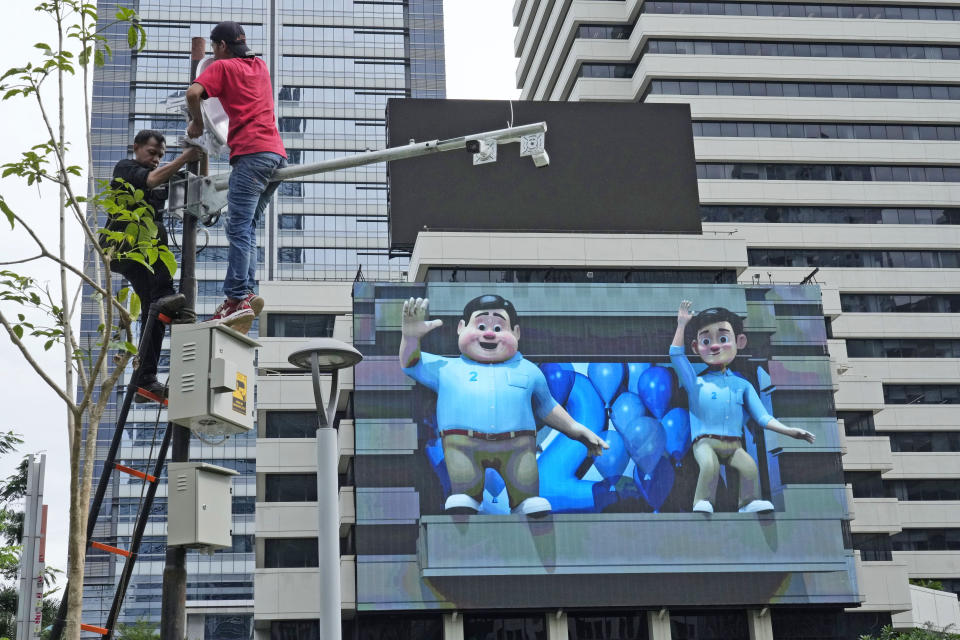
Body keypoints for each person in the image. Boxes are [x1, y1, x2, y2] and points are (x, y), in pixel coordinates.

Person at [399, 295, 608, 516]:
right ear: (461, 328)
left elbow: (547, 407)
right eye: (480, 326)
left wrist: (576, 429)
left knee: (525, 486)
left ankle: (524, 499)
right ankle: (467, 493)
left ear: (516, 333)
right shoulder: (446, 368)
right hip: (462, 445)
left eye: (499, 327)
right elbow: (411, 363)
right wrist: (410, 338)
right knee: (464, 484)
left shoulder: (527, 370)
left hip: (517, 447)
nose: (489, 333)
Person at [186, 21, 287, 334]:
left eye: (216, 48)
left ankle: (235, 297)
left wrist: (198, 126)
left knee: (238, 227)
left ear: (220, 46)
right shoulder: (259, 66)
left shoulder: (222, 66)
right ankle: (248, 292)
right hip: (275, 155)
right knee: (249, 225)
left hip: (251, 155)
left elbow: (194, 93)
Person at [670, 300, 816, 514]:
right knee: (709, 466)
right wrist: (682, 325)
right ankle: (703, 500)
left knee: (748, 466)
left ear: (740, 341)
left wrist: (789, 431)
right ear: (695, 346)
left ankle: (747, 502)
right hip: (705, 443)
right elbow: (676, 356)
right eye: (706, 340)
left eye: (722, 338)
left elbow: (763, 417)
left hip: (734, 445)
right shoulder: (696, 383)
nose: (715, 346)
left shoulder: (743, 385)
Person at [101, 129, 201, 401]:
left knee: (154, 308)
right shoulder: (126, 167)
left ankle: (145, 381)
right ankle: (167, 296)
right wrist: (185, 157)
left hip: (140, 251)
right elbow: (152, 178)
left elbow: (194, 179)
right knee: (155, 227)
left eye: (160, 155)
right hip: (121, 245)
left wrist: (199, 153)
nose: (156, 159)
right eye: (152, 152)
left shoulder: (164, 175)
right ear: (136, 147)